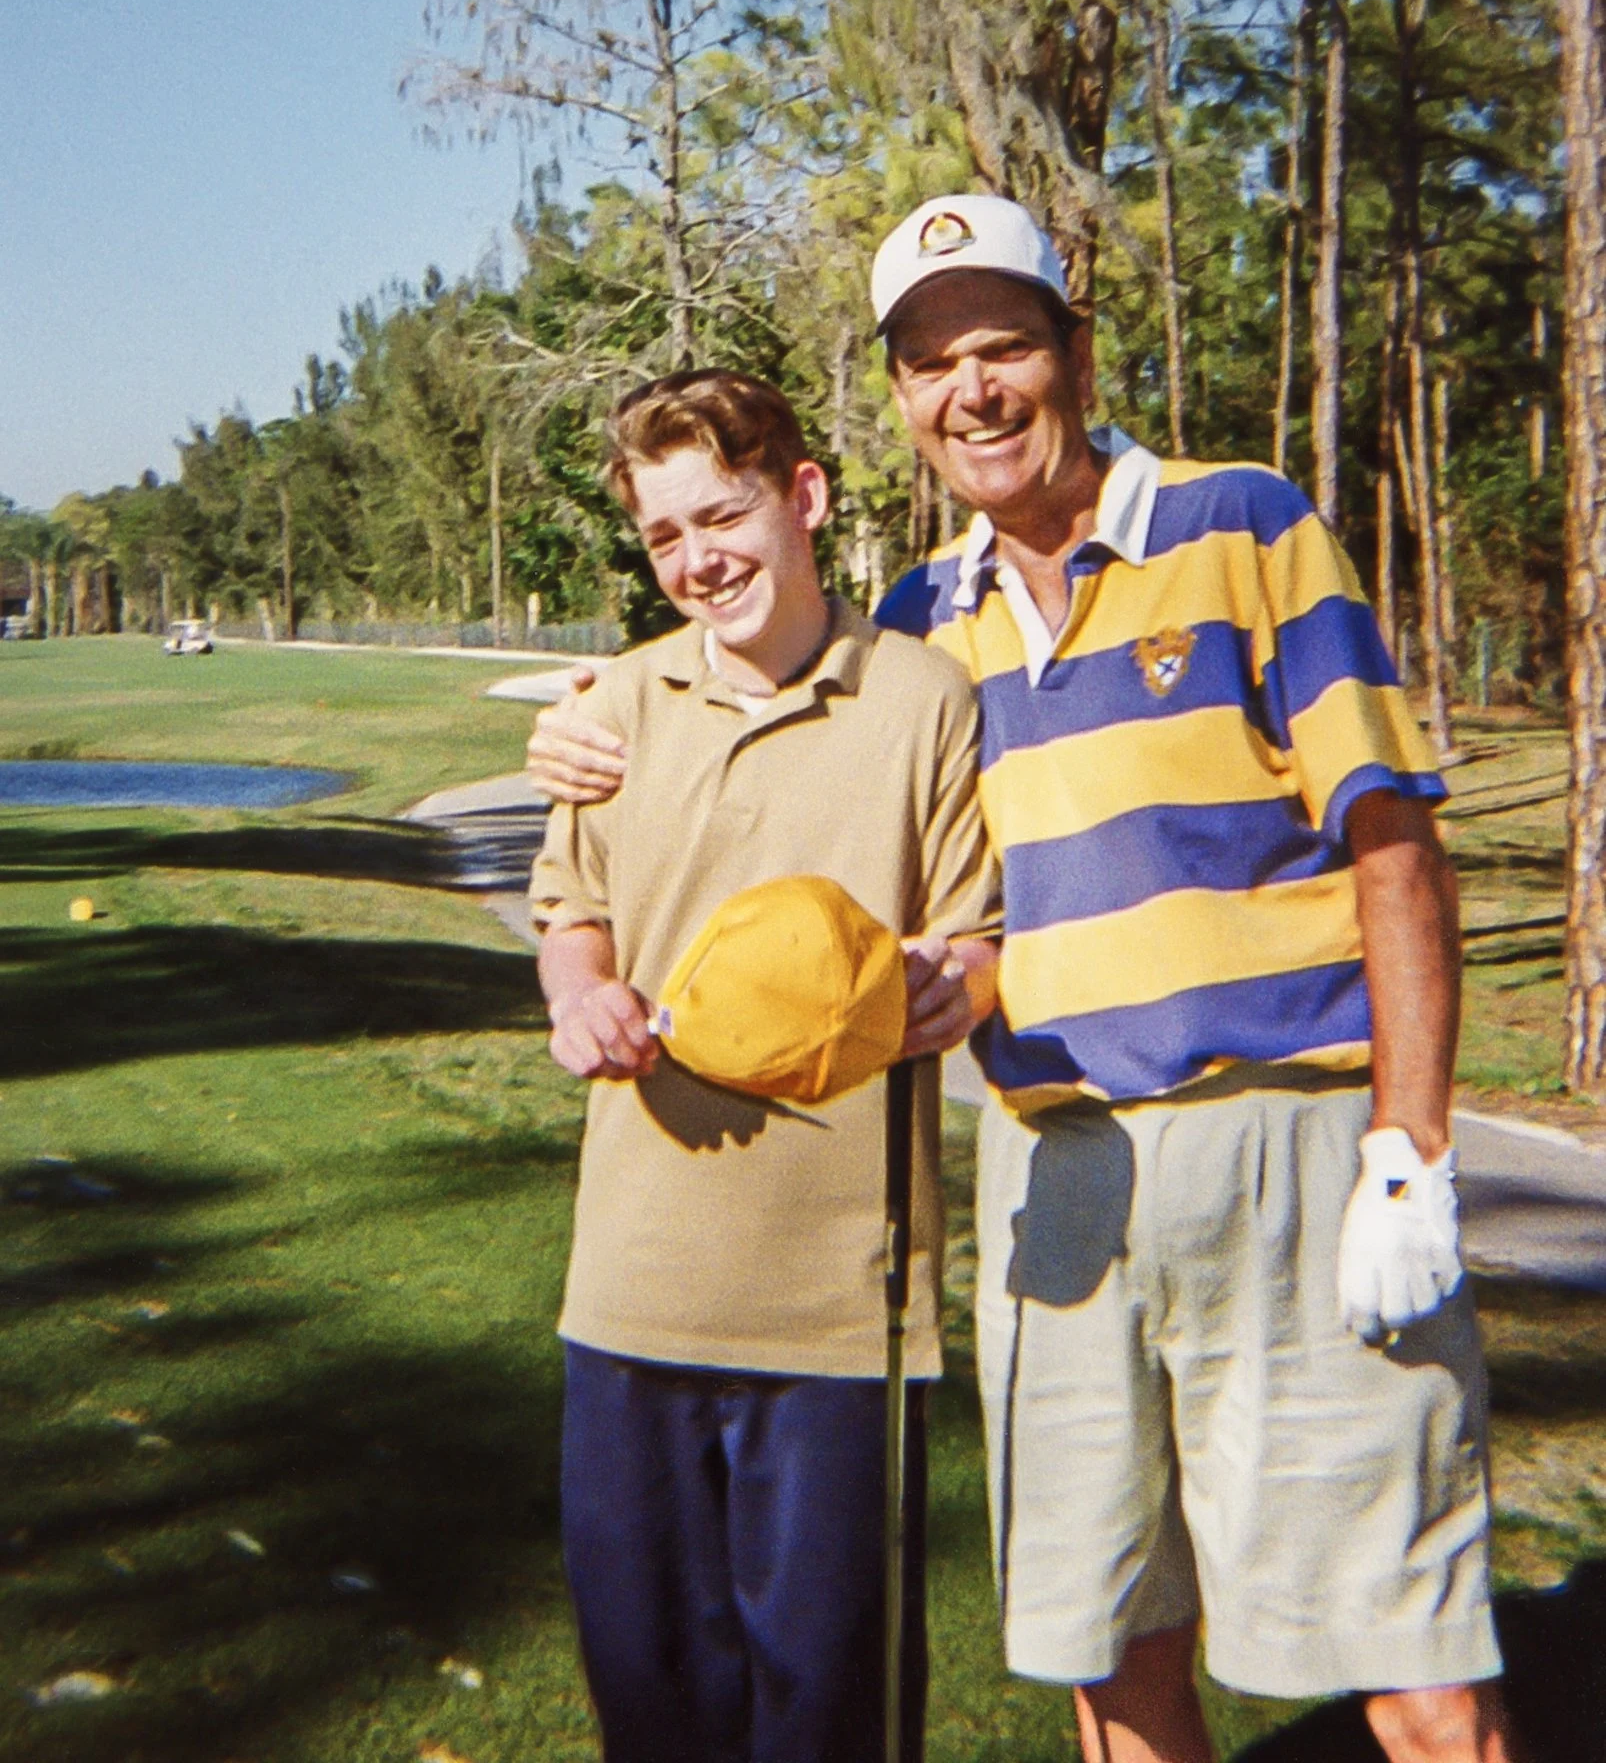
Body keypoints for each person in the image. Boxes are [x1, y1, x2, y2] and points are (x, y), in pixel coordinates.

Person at [527, 203, 1522, 1763]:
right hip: (1053, 1177)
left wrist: (1412, 1149)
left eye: (1003, 347)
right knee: (1104, 1640)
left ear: (1071, 351)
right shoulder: (927, 620)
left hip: (1283, 1144)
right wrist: (575, 721)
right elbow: (747, 672)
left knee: (1405, 1650)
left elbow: (1392, 844)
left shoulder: (1243, 522)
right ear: (904, 402)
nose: (972, 391)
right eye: (933, 364)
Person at [529, 368, 1000, 1763]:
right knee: (654, 1708)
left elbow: (977, 942)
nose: (698, 560)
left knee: (824, 1717)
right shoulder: (614, 702)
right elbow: (572, 912)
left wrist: (941, 991)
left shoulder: (924, 700)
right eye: (664, 536)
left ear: (800, 497)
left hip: (839, 1315)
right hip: (630, 1290)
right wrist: (579, 996)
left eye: (720, 514)